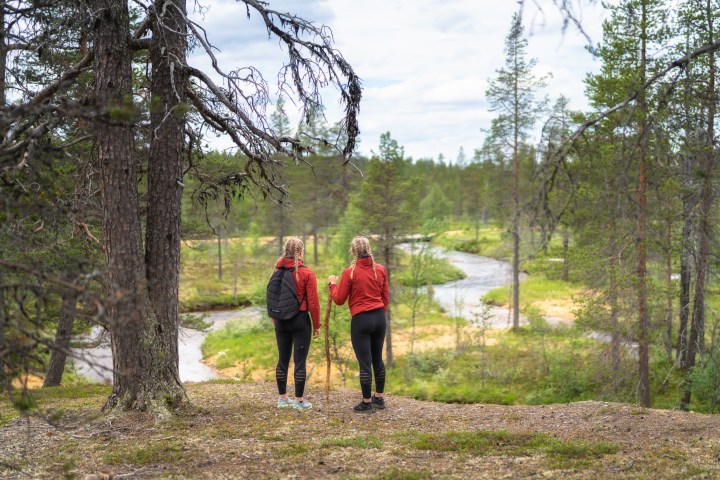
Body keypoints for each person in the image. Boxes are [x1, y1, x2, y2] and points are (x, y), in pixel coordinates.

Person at [328, 236, 389, 413]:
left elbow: (339, 299)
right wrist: (379, 315)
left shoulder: (350, 272)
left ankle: (366, 403)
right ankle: (379, 398)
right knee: (377, 358)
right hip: (379, 317)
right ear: (368, 249)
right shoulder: (380, 269)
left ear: (353, 251)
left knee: (365, 362)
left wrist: (332, 284)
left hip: (361, 320)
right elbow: (385, 297)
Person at [271, 237, 320, 410]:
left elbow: (272, 298)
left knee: (282, 359)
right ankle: (299, 401)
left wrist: (274, 319)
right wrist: (317, 325)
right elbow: (313, 303)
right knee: (300, 361)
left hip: (281, 322)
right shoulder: (306, 273)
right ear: (301, 252)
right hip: (300, 321)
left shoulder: (277, 271)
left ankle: (282, 399)